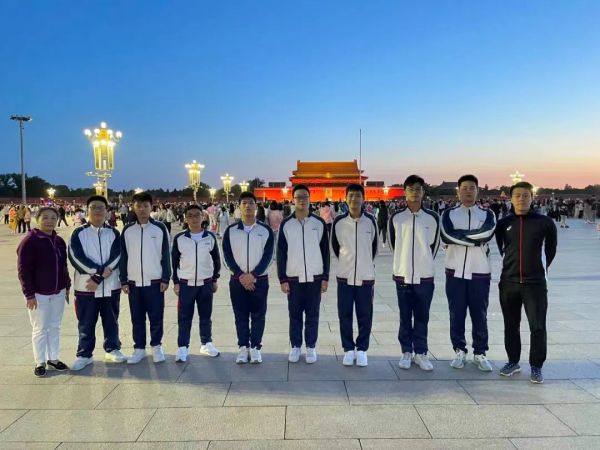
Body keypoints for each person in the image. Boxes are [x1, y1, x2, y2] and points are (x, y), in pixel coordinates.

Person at [495, 182, 557, 384]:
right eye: (517, 195)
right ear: (511, 198)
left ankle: (536, 366)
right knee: (511, 325)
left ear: (532, 197)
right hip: (509, 282)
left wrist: (537, 269)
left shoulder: (545, 223)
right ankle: (513, 361)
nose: (521, 199)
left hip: (535, 284)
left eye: (525, 195)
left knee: (537, 326)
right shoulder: (503, 224)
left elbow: (550, 251)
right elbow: (502, 249)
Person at [441, 174, 496, 371]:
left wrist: (460, 237)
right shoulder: (448, 214)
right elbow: (446, 235)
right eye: (464, 188)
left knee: (479, 314)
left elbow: (487, 233)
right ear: (458, 191)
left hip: (480, 271)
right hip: (455, 272)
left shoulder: (487, 214)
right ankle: (459, 350)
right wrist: (474, 241)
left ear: (477, 191)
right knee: (456, 313)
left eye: (472, 188)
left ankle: (480, 352)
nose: (468, 191)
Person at [68, 196, 127, 371]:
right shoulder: (78, 233)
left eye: (101, 207)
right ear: (87, 210)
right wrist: (98, 273)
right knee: (86, 322)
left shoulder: (114, 233)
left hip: (110, 286)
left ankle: (112, 348)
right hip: (85, 287)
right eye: (93, 207)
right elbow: (76, 258)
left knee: (111, 320)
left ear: (107, 211)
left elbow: (117, 256)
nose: (97, 210)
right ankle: (84, 354)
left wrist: (97, 278)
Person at [389, 175, 440, 371]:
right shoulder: (396, 218)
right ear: (405, 192)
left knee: (422, 316)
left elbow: (433, 246)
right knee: (404, 316)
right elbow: (394, 245)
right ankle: (406, 351)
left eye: (418, 189)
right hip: (402, 275)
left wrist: (424, 263)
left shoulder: (432, 218)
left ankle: (421, 352)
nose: (415, 192)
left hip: (424, 276)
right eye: (411, 189)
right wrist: (401, 264)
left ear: (423, 192)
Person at [277, 184, 329, 364]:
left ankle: (311, 347)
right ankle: (296, 346)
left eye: (305, 196)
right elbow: (281, 253)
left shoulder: (319, 223)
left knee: (313, 314)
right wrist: (282, 279)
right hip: (293, 278)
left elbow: (325, 252)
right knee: (295, 314)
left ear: (310, 199)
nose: (302, 200)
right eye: (298, 197)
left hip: (315, 277)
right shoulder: (286, 224)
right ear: (293, 200)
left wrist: (325, 277)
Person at [17, 207, 71, 377]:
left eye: (53, 218)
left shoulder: (59, 241)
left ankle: (53, 358)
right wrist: (29, 294)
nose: (49, 221)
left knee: (55, 326)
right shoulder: (30, 241)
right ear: (37, 219)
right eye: (45, 217)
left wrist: (67, 285)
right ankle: (40, 361)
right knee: (40, 328)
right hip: (39, 294)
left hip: (58, 292)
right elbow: (23, 270)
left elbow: (63, 265)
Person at [222, 192, 274, 364]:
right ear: (239, 206)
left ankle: (256, 347)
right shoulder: (231, 231)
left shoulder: (265, 230)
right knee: (240, 315)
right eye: (244, 203)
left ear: (256, 206)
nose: (248, 206)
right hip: (237, 281)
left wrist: (254, 275)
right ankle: (243, 347)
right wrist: (241, 276)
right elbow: (226, 256)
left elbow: (269, 256)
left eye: (251, 203)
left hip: (260, 280)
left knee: (259, 315)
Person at [120, 192, 171, 364]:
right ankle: (139, 348)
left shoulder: (160, 228)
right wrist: (123, 279)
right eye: (139, 206)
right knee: (137, 317)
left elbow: (166, 254)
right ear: (133, 207)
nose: (142, 209)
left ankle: (156, 346)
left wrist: (166, 277)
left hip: (155, 281)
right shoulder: (127, 230)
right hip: (134, 282)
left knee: (156, 316)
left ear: (151, 207)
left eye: (145, 206)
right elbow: (123, 256)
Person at [331, 183, 378, 367]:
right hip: (345, 276)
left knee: (365, 315)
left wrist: (365, 263)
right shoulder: (339, 222)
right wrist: (347, 262)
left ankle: (362, 349)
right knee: (345, 314)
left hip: (365, 277)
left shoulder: (371, 221)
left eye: (358, 196)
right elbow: (335, 247)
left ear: (363, 199)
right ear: (345, 199)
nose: (354, 199)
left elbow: (374, 247)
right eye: (351, 195)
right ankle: (348, 349)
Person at [172, 204, 222, 362]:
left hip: (205, 283)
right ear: (185, 219)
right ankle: (183, 347)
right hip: (186, 284)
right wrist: (176, 282)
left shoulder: (210, 237)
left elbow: (217, 260)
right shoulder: (180, 239)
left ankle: (206, 343)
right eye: (190, 215)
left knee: (205, 316)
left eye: (197, 215)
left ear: (203, 216)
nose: (194, 218)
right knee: (184, 317)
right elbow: (173, 262)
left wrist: (215, 279)